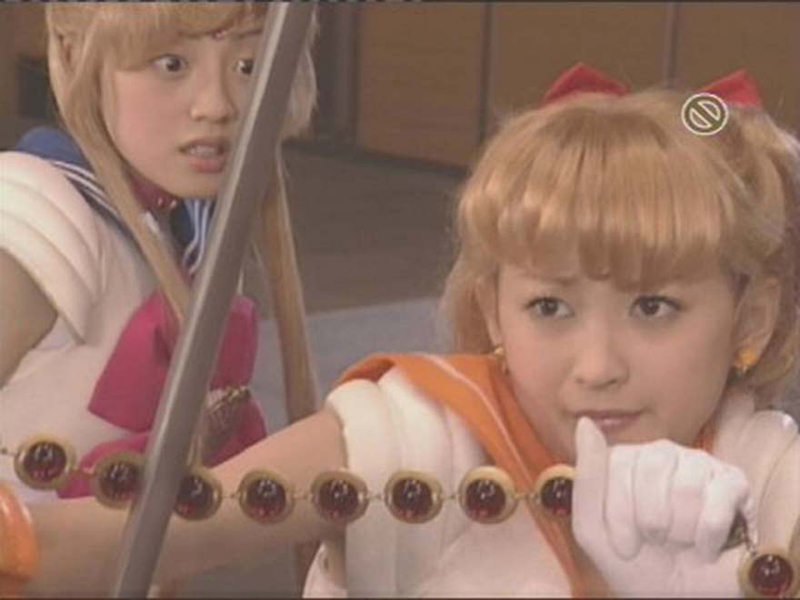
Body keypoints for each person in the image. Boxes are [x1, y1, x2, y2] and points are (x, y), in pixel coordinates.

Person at [5, 64, 800, 597]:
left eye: (653, 308)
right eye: (550, 308)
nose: (596, 366)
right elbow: (150, 530)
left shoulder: (773, 481)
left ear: (752, 317)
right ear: (494, 308)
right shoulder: (416, 432)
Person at [0, 3, 317, 503]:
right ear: (76, 55)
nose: (216, 106)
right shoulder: (32, 224)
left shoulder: (193, 226)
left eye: (248, 65)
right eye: (171, 64)